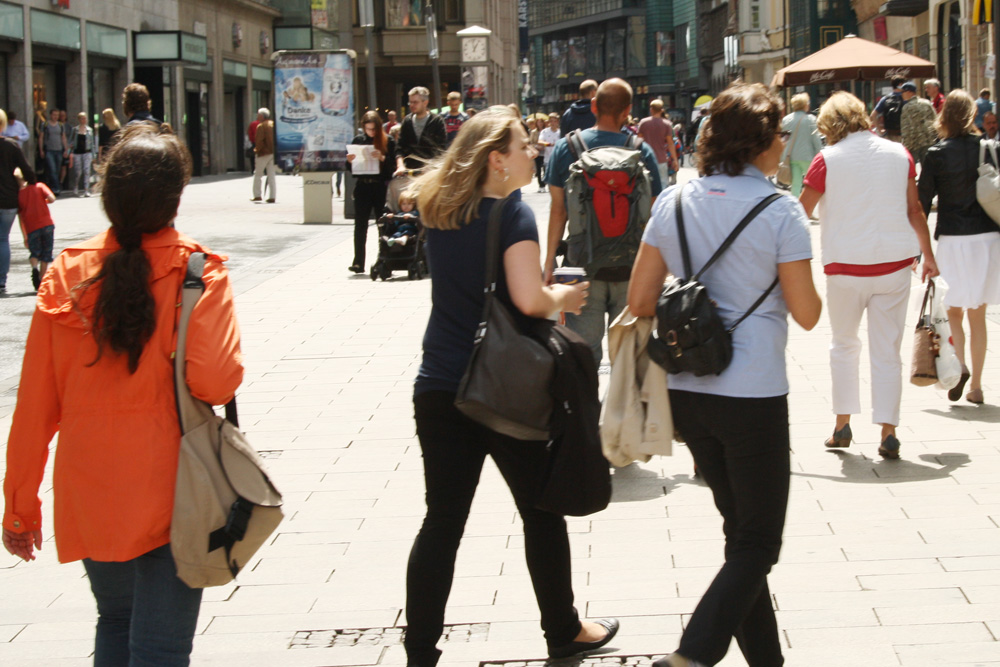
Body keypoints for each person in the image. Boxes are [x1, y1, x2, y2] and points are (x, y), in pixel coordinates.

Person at [2, 122, 242, 665]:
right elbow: (217, 382)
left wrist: (19, 506)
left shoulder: (66, 271)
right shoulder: (198, 272)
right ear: (177, 196)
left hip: (89, 488)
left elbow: (35, 406)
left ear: (107, 192)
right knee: (158, 648)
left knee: (115, 622)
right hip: (174, 488)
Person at [404, 105, 617, 666]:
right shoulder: (514, 215)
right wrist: (565, 298)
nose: (533, 152)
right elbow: (527, 300)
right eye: (524, 146)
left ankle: (420, 649)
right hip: (502, 387)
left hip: (440, 383)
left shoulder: (440, 208)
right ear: (497, 160)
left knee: (442, 520)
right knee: (540, 510)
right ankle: (564, 629)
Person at [628, 82, 822, 667]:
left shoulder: (675, 201)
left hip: (688, 388)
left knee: (741, 534)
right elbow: (808, 315)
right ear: (760, 142)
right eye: (779, 134)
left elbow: (640, 301)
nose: (785, 143)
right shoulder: (780, 208)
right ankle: (694, 654)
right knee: (759, 542)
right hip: (754, 392)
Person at [799, 91, 938, 458]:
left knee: (844, 345)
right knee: (887, 349)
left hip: (844, 266)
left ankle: (842, 425)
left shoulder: (825, 160)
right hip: (894, 264)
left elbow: (801, 212)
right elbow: (915, 209)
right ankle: (888, 432)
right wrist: (928, 255)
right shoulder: (899, 154)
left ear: (829, 124)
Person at [544, 78, 663, 363]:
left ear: (594, 105)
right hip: (631, 268)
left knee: (583, 354)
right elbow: (654, 213)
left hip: (582, 267)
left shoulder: (566, 148)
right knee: (630, 357)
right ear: (628, 111)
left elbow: (558, 210)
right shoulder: (640, 150)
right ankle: (624, 408)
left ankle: (587, 407)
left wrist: (549, 262)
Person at [918, 89, 1000, 405]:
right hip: (987, 238)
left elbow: (922, 205)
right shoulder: (988, 148)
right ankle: (977, 386)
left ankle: (959, 366)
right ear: (972, 115)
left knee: (953, 311)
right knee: (978, 313)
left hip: (952, 238)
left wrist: (919, 250)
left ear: (944, 115)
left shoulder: (936, 153)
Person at [347, 110, 395, 273]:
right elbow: (351, 170)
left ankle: (384, 259)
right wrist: (349, 161)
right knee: (360, 225)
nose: (371, 133)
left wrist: (382, 158)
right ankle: (358, 262)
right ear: (363, 127)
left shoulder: (387, 140)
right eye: (368, 129)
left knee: (382, 224)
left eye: (374, 129)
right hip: (363, 186)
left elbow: (393, 168)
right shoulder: (358, 141)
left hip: (380, 186)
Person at [0, 109, 38, 295]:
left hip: (7, 199)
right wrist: (33, 184)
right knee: (2, 239)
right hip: (8, 199)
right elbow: (26, 168)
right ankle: (1, 281)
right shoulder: (11, 146)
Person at [14, 167, 55, 290]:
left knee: (35, 253)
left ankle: (34, 269)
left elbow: (21, 218)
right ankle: (42, 280)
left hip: (31, 228)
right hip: (47, 224)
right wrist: (43, 201)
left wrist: (25, 236)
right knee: (46, 253)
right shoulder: (40, 186)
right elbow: (52, 199)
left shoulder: (18, 195)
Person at [394, 86, 446, 178]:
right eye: (410, 102)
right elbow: (400, 147)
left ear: (425, 102)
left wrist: (431, 166)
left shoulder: (437, 121)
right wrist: (400, 165)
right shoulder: (407, 121)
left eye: (415, 102)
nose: (412, 105)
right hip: (410, 171)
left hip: (430, 173)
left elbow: (441, 148)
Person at [779, 93, 823, 197]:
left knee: (796, 185)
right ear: (805, 105)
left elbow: (783, 139)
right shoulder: (810, 119)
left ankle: (797, 206)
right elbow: (816, 140)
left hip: (791, 157)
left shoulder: (786, 119)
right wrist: (819, 154)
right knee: (813, 184)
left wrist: (782, 157)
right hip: (807, 156)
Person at [637, 99, 680, 188]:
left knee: (647, 186)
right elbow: (670, 143)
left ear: (651, 109)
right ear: (662, 110)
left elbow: (638, 141)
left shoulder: (643, 123)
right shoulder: (667, 124)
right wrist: (675, 160)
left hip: (646, 159)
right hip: (661, 159)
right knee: (663, 184)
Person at [901, 89, 939, 164]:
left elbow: (905, 127)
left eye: (903, 92)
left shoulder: (906, 107)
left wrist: (905, 144)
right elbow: (935, 120)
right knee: (927, 168)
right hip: (928, 140)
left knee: (910, 169)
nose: (901, 94)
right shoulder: (927, 103)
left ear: (909, 92)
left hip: (912, 143)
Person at [38, 108, 66, 197]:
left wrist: (66, 149)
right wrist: (41, 149)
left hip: (59, 150)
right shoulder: (45, 124)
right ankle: (56, 188)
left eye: (57, 115)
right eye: (54, 115)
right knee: (52, 169)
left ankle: (52, 186)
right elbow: (41, 137)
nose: (55, 117)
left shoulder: (61, 125)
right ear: (50, 115)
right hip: (49, 150)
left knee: (57, 170)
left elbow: (63, 137)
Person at [67, 112, 95, 197]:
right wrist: (69, 151)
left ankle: (86, 189)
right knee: (78, 172)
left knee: (87, 171)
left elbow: (92, 143)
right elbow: (70, 141)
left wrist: (94, 155)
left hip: (87, 152)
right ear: (79, 120)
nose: (84, 120)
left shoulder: (89, 130)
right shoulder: (75, 130)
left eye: (85, 118)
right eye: (82, 118)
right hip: (77, 153)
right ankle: (76, 186)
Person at [251, 108, 276, 204]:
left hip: (263, 153)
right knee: (271, 175)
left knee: (258, 174)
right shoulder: (273, 124)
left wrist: (257, 150)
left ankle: (257, 195)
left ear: (262, 116)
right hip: (273, 153)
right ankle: (272, 196)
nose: (257, 117)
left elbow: (259, 141)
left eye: (258, 115)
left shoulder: (261, 126)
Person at [529, 115, 547, 192]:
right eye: (538, 122)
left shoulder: (546, 131)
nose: (540, 124)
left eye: (541, 122)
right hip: (538, 153)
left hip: (545, 152)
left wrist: (545, 146)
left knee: (546, 169)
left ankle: (545, 183)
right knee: (539, 170)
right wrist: (536, 146)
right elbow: (531, 142)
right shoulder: (534, 132)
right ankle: (541, 185)